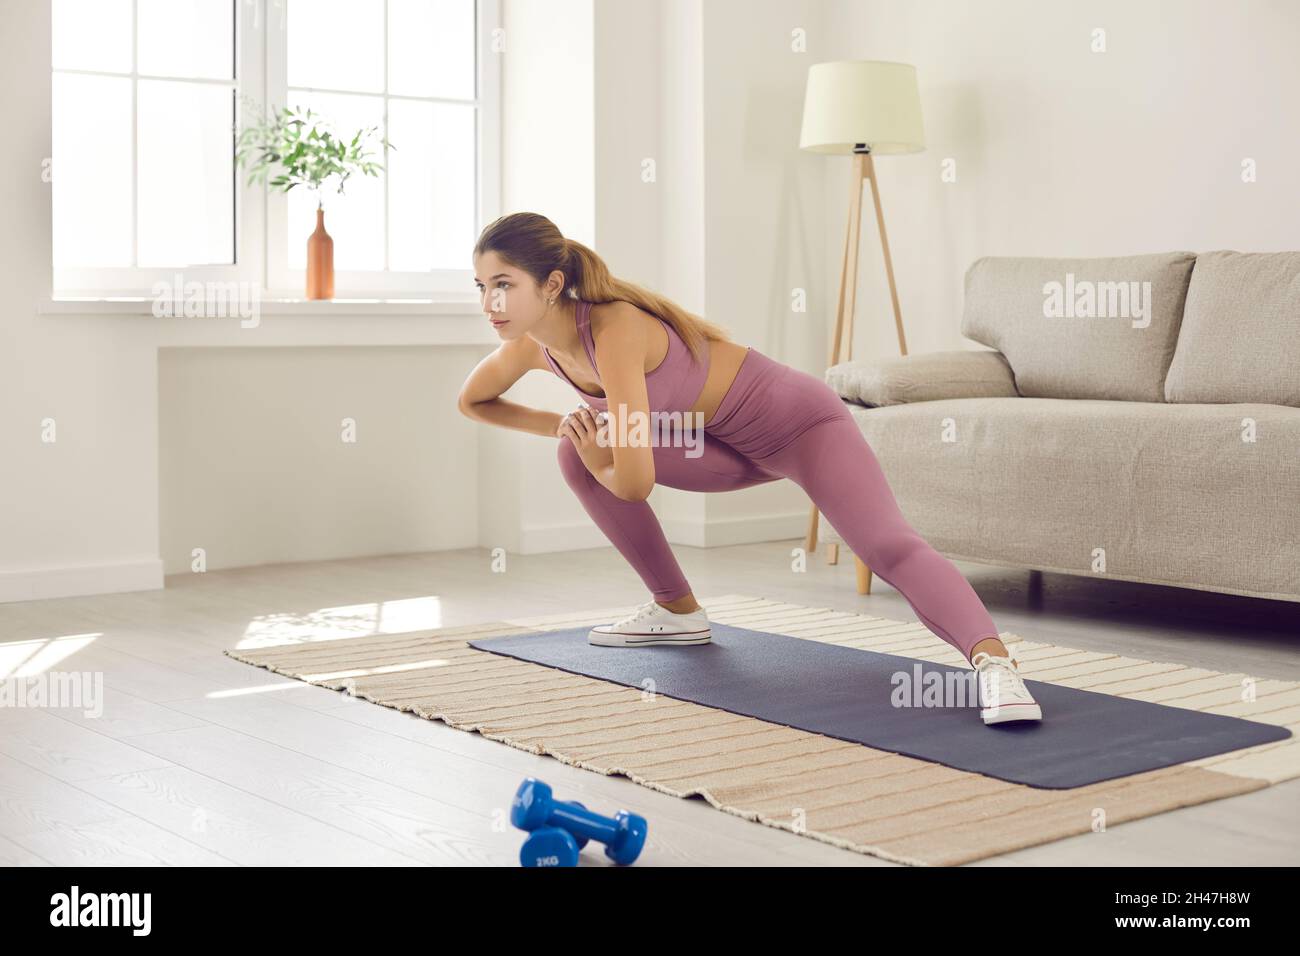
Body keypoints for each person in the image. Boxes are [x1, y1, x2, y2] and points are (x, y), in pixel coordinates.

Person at [458, 212, 1041, 724]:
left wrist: (592, 448)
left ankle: (995, 664)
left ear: (552, 284)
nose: (490, 303)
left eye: (504, 285)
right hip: (712, 442)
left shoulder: (613, 331)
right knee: (577, 452)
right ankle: (676, 610)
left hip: (802, 428)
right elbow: (474, 401)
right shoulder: (533, 345)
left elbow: (632, 484)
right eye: (482, 286)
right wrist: (568, 429)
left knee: (887, 548)